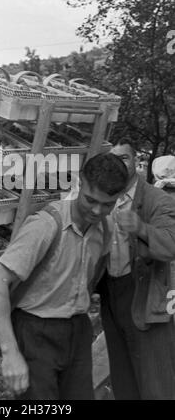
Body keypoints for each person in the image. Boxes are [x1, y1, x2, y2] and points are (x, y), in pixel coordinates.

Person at [0, 153, 128, 400]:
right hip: (35, 331)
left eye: (107, 204)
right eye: (91, 200)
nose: (97, 210)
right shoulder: (45, 226)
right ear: (79, 184)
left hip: (77, 330)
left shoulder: (105, 229)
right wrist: (10, 353)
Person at [97, 138, 175, 399]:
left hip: (144, 290)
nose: (118, 163)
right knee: (122, 373)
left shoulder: (157, 199)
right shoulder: (105, 198)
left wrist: (141, 228)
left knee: (154, 377)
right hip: (111, 293)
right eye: (113, 158)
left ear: (138, 162)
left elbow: (170, 246)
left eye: (125, 158)